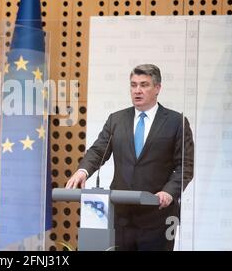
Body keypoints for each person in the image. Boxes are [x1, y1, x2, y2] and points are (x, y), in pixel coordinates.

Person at [66, 64, 194, 251]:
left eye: (144, 85)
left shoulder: (176, 122)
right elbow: (98, 150)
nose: (137, 91)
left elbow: (185, 165)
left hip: (157, 216)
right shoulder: (116, 120)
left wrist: (169, 191)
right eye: (133, 85)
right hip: (121, 216)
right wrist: (82, 171)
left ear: (157, 88)